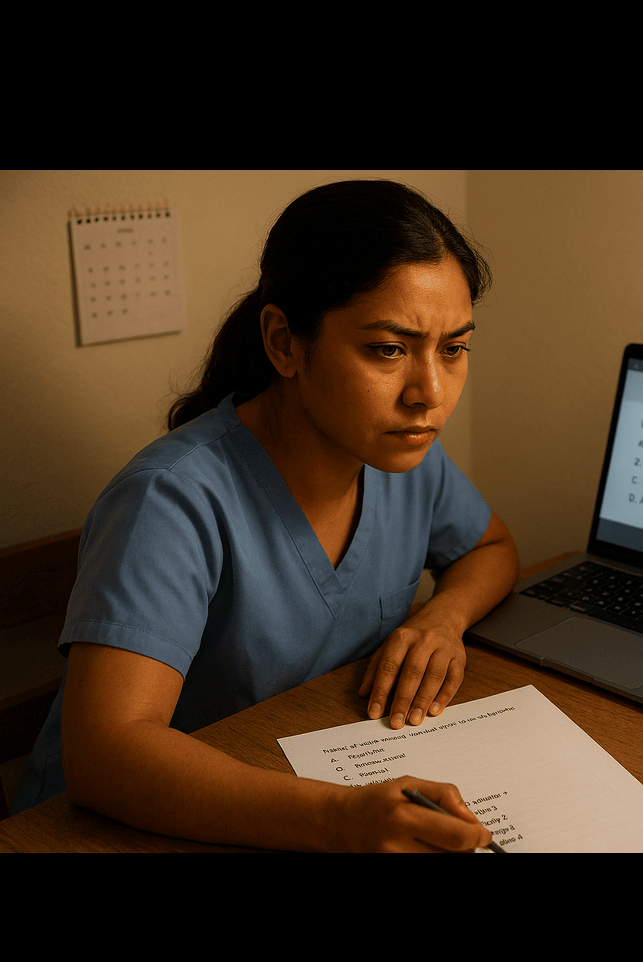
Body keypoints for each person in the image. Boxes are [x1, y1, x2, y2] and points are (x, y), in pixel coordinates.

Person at [12, 179, 520, 852]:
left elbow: (492, 550)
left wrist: (440, 619)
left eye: (453, 348)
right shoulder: (170, 500)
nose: (429, 393)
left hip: (295, 776)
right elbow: (106, 755)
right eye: (388, 349)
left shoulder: (404, 456)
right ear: (284, 342)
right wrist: (343, 819)